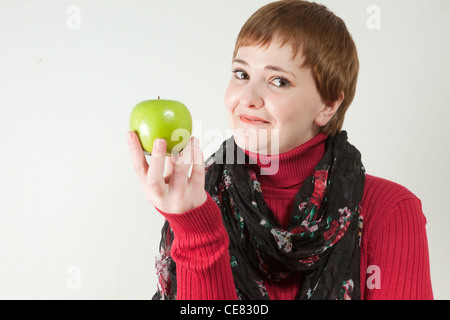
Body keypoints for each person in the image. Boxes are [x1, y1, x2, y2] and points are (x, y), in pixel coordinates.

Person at [127, 0, 433, 300]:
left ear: (328, 105)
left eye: (278, 81)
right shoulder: (197, 198)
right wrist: (196, 228)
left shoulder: (391, 211)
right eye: (242, 74)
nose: (248, 97)